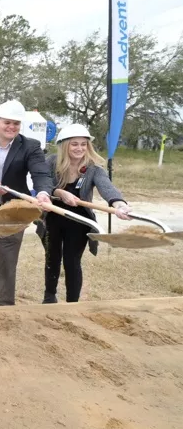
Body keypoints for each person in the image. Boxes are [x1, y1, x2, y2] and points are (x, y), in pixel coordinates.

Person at [0, 100, 53, 307]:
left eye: (16, 123)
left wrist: (42, 192)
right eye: (7, 122)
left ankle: (2, 305)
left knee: (7, 258)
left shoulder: (30, 146)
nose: (11, 127)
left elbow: (41, 172)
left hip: (13, 211)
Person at [40, 124, 132, 304]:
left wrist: (119, 204)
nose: (79, 148)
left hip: (79, 220)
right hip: (52, 217)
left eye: (83, 144)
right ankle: (49, 298)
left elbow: (107, 188)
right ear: (64, 145)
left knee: (72, 261)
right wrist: (59, 192)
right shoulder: (51, 162)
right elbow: (42, 185)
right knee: (52, 258)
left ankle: (72, 303)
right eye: (74, 144)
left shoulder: (93, 169)